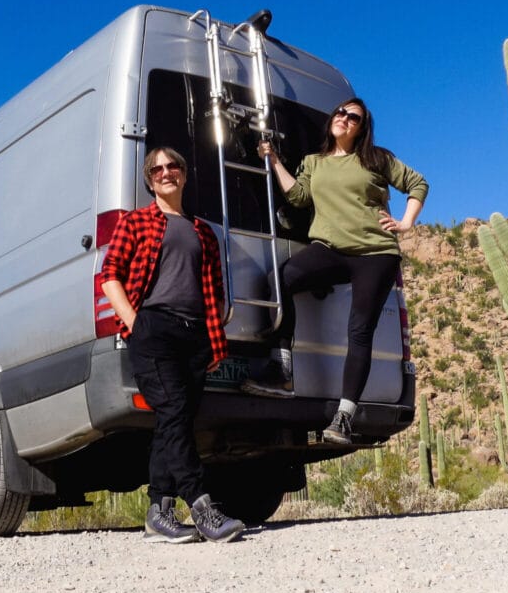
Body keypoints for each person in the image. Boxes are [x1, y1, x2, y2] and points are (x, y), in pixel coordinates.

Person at [241, 98, 428, 444]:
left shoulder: (376, 159)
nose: (343, 118)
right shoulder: (315, 162)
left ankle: (343, 416)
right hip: (330, 249)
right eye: (340, 113)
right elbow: (298, 197)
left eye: (353, 117)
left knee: (359, 332)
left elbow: (418, 185)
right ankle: (281, 367)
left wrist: (405, 223)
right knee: (281, 279)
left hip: (376, 254)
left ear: (361, 128)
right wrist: (274, 160)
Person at [99, 146, 246, 543]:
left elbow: (213, 290)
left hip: (195, 335)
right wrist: (135, 324)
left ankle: (158, 514)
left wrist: (214, 337)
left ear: (183, 174)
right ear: (150, 180)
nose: (166, 172)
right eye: (158, 168)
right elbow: (109, 275)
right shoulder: (137, 222)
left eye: (173, 166)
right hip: (154, 329)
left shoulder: (202, 231)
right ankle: (201, 505)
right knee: (175, 410)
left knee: (174, 420)